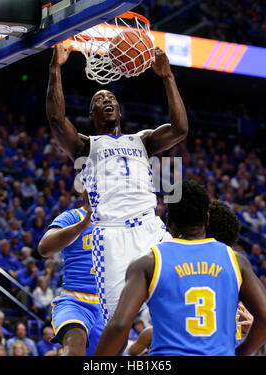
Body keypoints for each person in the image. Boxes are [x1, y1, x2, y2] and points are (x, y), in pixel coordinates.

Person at [46, 43, 188, 324]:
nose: (107, 100)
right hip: (111, 235)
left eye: (111, 97)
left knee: (182, 294)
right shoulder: (86, 146)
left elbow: (180, 129)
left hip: (150, 228)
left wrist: (168, 77)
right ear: (92, 115)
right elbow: (56, 119)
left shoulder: (143, 140)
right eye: (99, 99)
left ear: (119, 111)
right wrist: (55, 69)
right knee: (118, 322)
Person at [94, 180, 266, 356]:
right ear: (206, 220)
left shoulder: (148, 263)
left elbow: (119, 325)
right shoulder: (235, 260)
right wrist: (240, 353)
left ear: (168, 220)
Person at [38, 202, 105, 356]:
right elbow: (44, 248)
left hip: (108, 306)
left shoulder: (122, 222)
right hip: (75, 301)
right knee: (75, 340)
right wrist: (83, 225)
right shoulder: (73, 216)